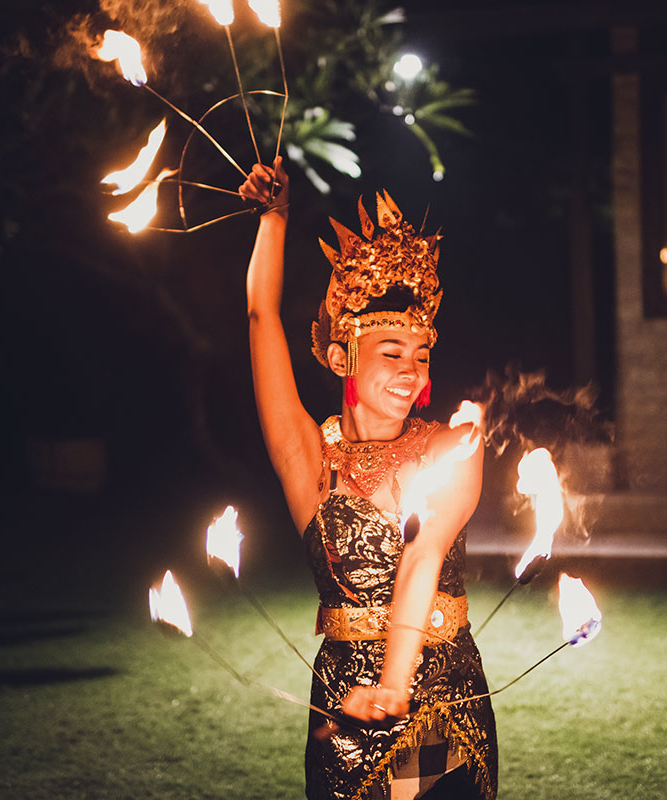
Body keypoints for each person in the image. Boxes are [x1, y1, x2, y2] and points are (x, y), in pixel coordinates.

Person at [240, 158, 497, 800]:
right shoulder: (309, 460)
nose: (411, 370)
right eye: (391, 354)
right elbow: (259, 317)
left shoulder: (451, 447)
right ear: (339, 356)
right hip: (343, 694)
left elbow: (421, 555)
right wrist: (274, 217)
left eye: (421, 354)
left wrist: (395, 682)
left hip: (441, 691)